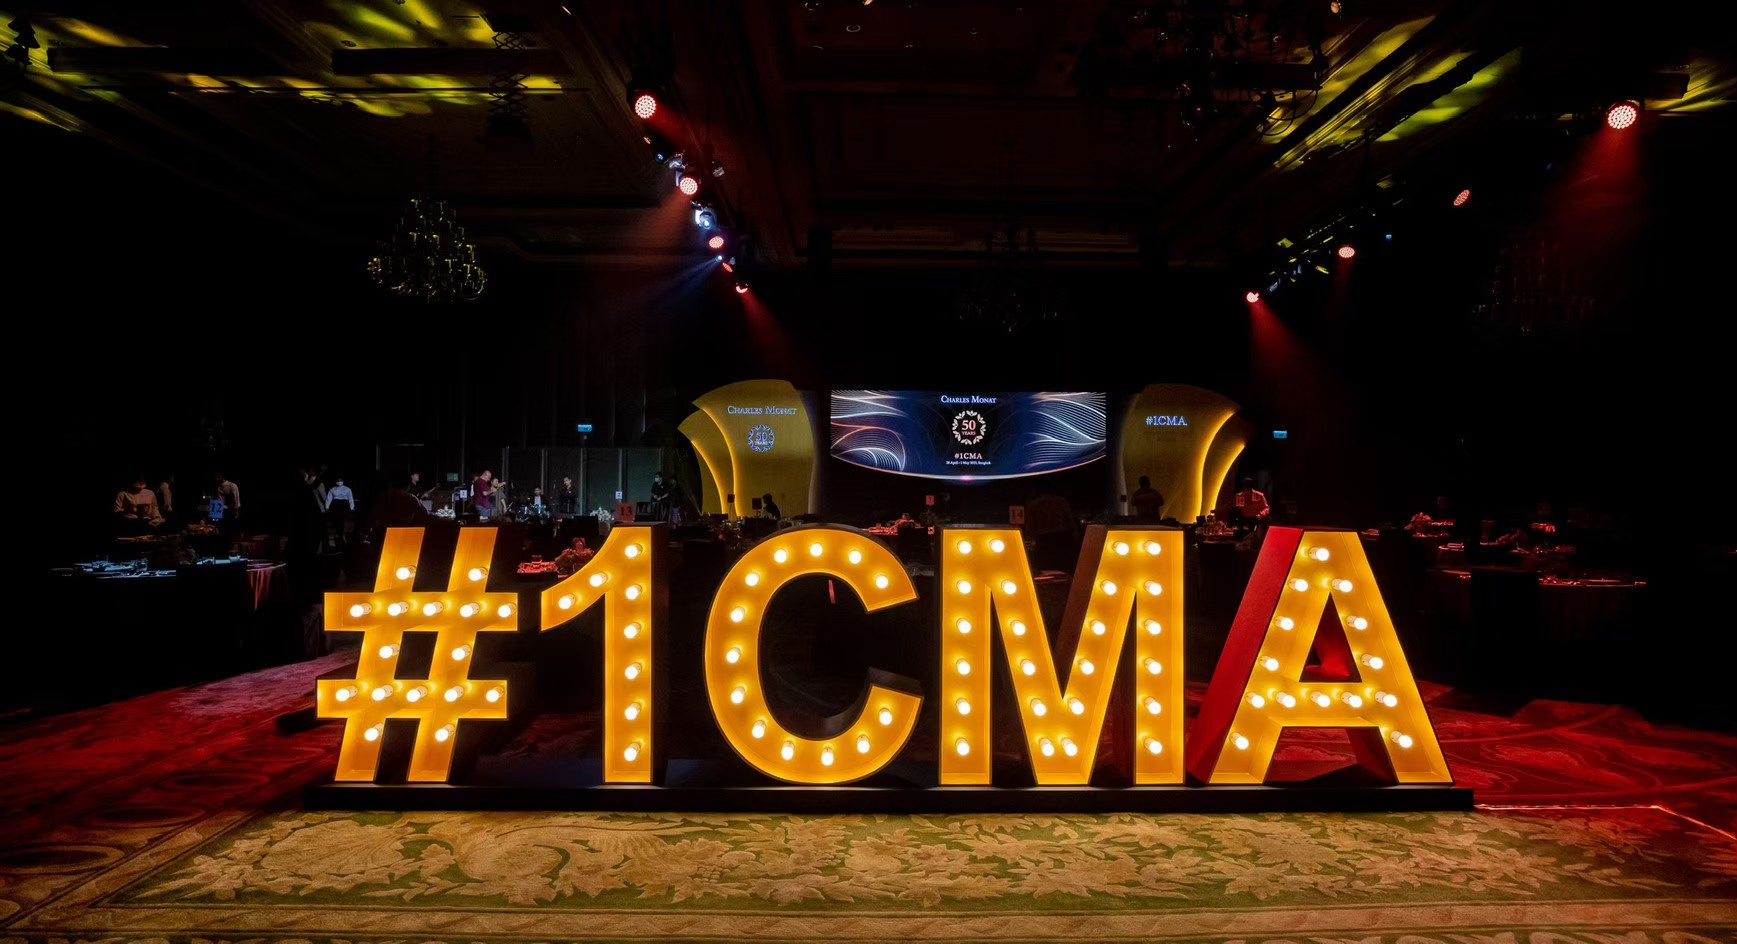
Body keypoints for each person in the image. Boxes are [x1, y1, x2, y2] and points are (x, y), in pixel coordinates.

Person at [325, 476, 356, 548]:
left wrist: (352, 507)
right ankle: (339, 534)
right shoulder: (332, 489)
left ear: (343, 481)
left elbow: (350, 498)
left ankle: (342, 534)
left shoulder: (347, 489)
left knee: (342, 519)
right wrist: (327, 506)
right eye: (338, 481)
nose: (339, 482)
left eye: (340, 480)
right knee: (337, 519)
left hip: (344, 505)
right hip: (336, 505)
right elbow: (329, 498)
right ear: (336, 482)